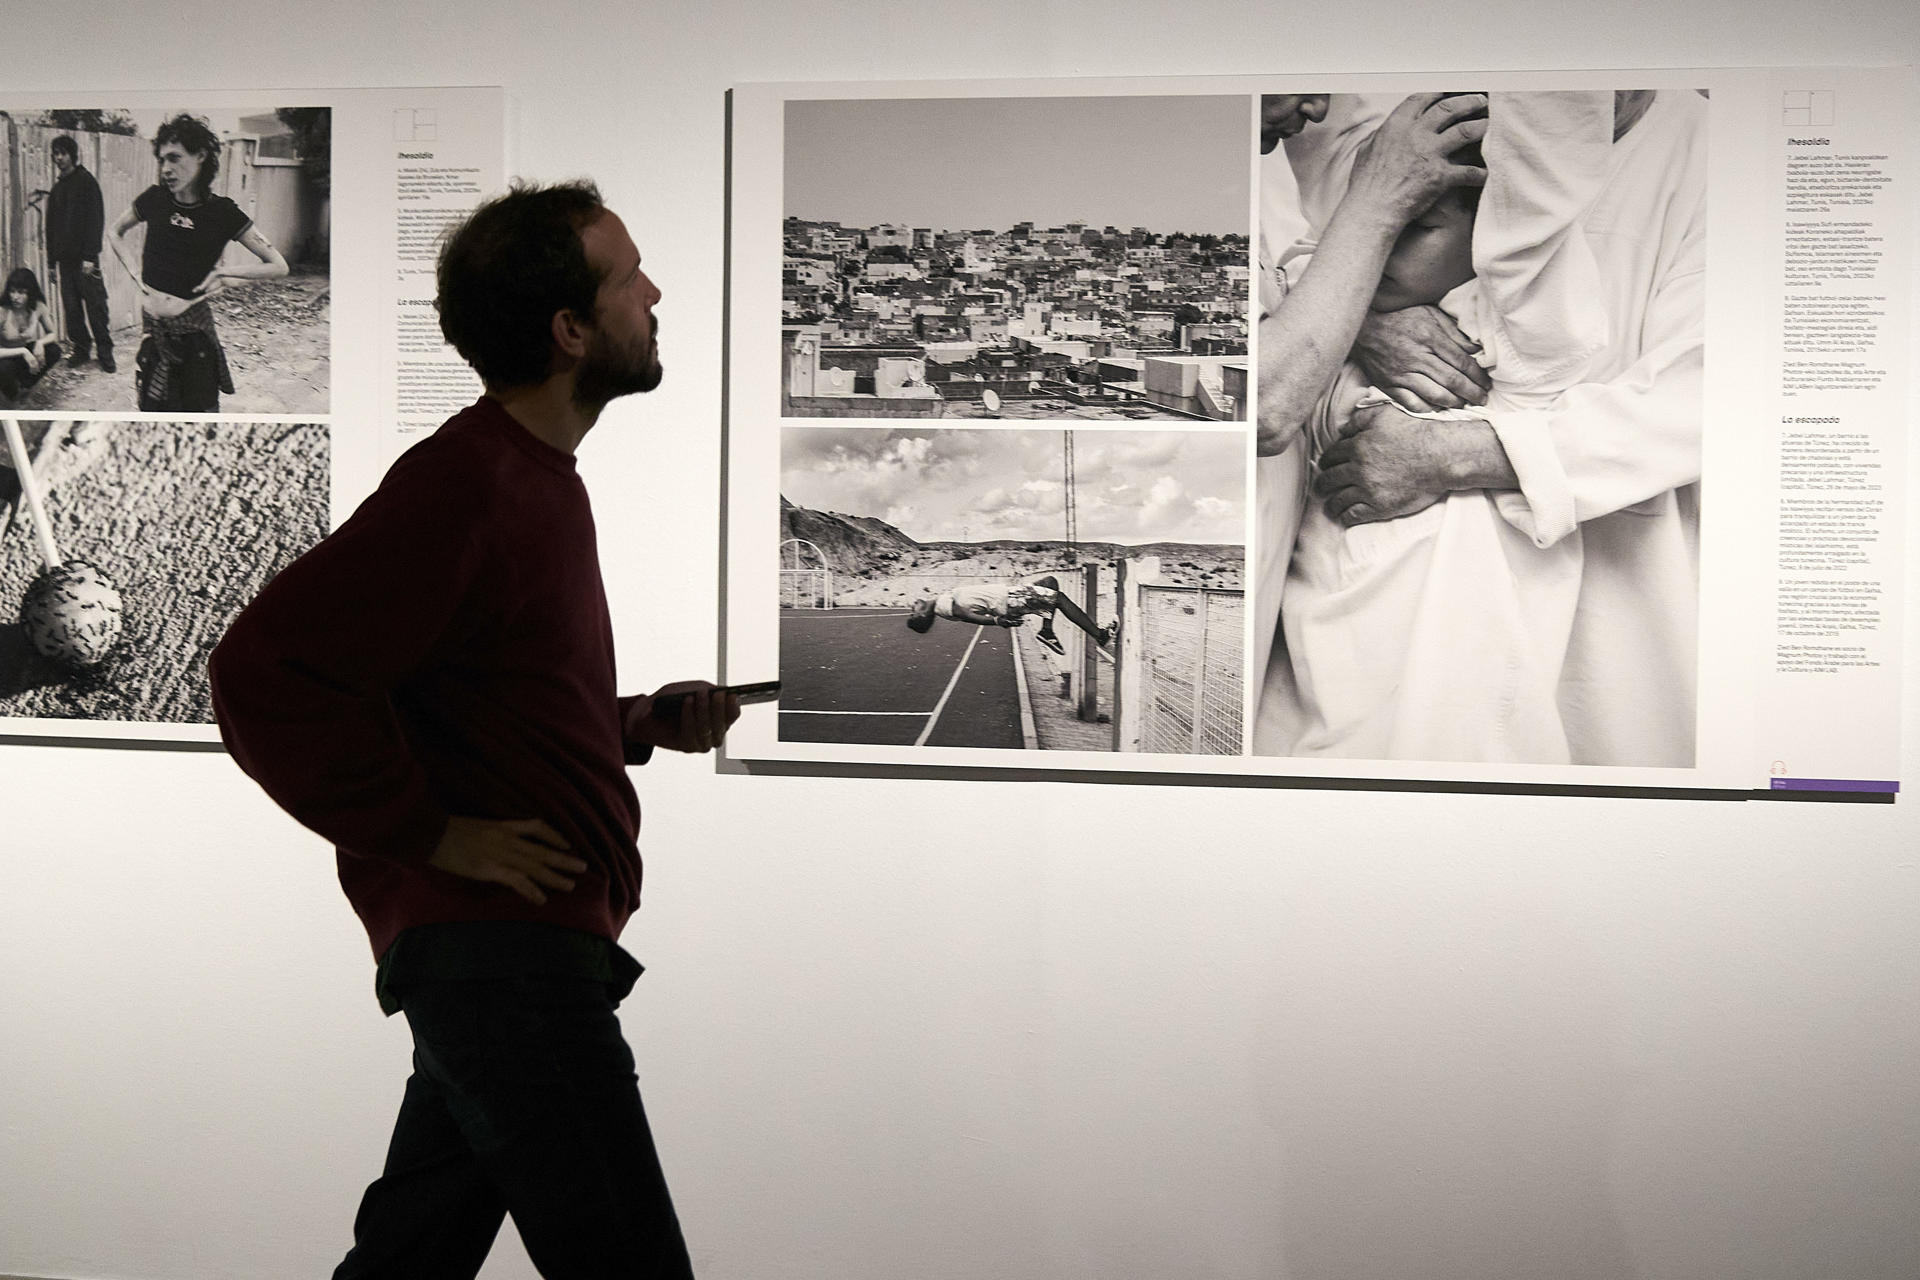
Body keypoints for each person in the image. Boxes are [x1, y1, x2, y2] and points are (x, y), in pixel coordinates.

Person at [209, 179, 736, 1279]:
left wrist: (636, 721)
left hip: (509, 954)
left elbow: (477, 685)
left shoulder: (531, 478)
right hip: (505, 960)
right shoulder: (467, 483)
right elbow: (265, 670)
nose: (656, 293)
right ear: (570, 330)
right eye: (628, 275)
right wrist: (431, 832)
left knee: (409, 1258)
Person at [1257, 90, 1705, 766]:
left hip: (1600, 582)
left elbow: (1708, 396)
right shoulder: (1432, 113)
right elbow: (1319, 242)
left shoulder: (1703, 157)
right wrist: (1360, 315)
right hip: (1362, 633)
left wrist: (1457, 454)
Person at [109, 113, 287, 411]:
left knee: (198, 414)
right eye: (162, 160)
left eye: (175, 158)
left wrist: (226, 273)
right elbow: (114, 232)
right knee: (154, 410)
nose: (166, 169)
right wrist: (135, 274)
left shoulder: (222, 212)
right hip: (154, 333)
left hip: (195, 339)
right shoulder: (155, 199)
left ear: (201, 156)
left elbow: (278, 265)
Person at [906, 574, 1116, 656]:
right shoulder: (941, 606)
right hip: (1008, 599)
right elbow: (967, 614)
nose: (912, 606)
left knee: (1050, 584)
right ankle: (1100, 635)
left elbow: (968, 611)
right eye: (912, 612)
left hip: (1008, 595)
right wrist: (997, 620)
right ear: (921, 615)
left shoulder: (940, 603)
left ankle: (1047, 630)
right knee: (1058, 598)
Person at [45, 134, 114, 373]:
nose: (59, 158)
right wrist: (51, 263)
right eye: (55, 153)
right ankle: (82, 350)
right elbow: (50, 229)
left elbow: (96, 219)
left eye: (63, 153)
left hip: (86, 261)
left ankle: (105, 353)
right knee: (72, 310)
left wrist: (90, 255)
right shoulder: (56, 190)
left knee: (96, 308)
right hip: (65, 263)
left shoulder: (86, 182)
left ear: (72, 155)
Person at [0, 267, 63, 401]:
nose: (15, 297)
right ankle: (12, 396)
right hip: (5, 356)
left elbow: (52, 334)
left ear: (30, 292)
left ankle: (25, 386)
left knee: (54, 350)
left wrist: (40, 343)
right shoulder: (3, 311)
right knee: (3, 368)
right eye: (12, 291)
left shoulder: (38, 307)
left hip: (22, 355)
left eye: (21, 292)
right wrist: (23, 351)